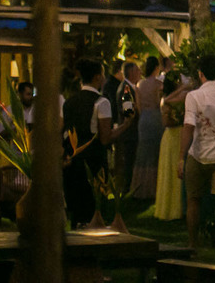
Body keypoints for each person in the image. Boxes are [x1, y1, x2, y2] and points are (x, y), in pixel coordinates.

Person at [64, 58, 134, 227]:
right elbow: (105, 137)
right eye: (102, 75)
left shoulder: (69, 102)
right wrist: (126, 125)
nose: (104, 78)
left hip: (72, 158)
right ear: (96, 77)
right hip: (93, 159)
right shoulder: (101, 102)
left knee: (76, 206)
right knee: (93, 206)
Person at [179, 54, 215, 249]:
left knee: (193, 200)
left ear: (200, 73)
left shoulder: (193, 96)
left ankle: (193, 244)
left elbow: (188, 126)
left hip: (199, 154)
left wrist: (181, 157)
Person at [154, 73, 187, 221]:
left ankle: (169, 208)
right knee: (174, 171)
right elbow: (169, 103)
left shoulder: (165, 98)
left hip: (170, 136)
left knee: (170, 171)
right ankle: (174, 209)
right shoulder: (169, 99)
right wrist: (185, 88)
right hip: (175, 135)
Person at [131, 56, 164, 198]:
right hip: (156, 117)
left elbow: (138, 107)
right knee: (155, 152)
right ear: (156, 67)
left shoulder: (139, 84)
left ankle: (140, 187)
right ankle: (154, 189)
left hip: (144, 119)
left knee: (143, 153)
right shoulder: (158, 84)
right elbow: (159, 103)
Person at [115, 61, 142, 191]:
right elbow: (127, 111)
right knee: (129, 160)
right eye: (137, 70)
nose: (140, 73)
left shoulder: (130, 87)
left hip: (131, 131)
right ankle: (128, 187)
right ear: (131, 72)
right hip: (129, 131)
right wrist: (138, 107)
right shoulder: (125, 88)